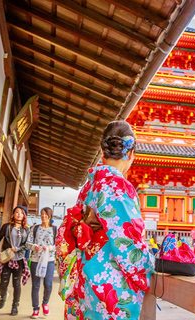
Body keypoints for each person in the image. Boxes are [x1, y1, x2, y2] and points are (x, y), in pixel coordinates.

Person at [56, 121, 155, 320]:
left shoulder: (89, 185)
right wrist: (150, 264)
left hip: (87, 276)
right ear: (131, 152)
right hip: (110, 284)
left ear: (103, 152)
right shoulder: (117, 186)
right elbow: (127, 243)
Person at [0, 206, 30, 316]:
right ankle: (3, 296)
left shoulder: (26, 229)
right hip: (7, 259)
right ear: (13, 214)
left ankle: (15, 306)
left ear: (24, 216)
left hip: (19, 260)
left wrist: (18, 249)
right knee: (3, 283)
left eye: (21, 213)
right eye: (17, 212)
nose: (19, 215)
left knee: (16, 284)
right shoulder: (6, 227)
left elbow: (27, 245)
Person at [27, 207, 57, 319]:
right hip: (35, 260)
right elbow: (27, 243)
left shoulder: (55, 230)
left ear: (50, 216)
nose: (43, 216)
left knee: (48, 284)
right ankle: (35, 309)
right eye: (42, 214)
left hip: (49, 260)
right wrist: (34, 247)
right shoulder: (34, 229)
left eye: (46, 214)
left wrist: (50, 247)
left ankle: (45, 303)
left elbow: (59, 245)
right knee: (35, 286)